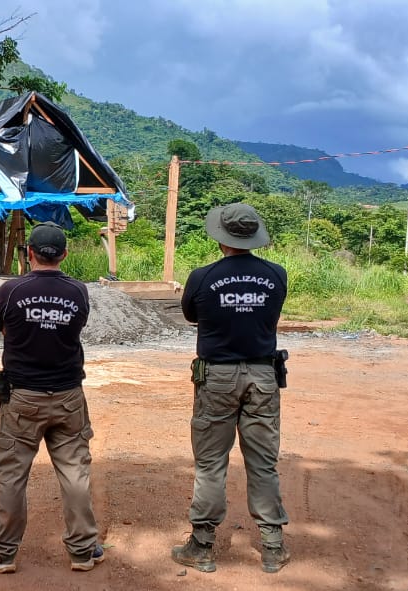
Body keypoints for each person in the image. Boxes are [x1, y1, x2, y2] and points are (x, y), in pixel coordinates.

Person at [173, 202, 291, 574]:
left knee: (210, 464)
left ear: (220, 237)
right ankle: (273, 546)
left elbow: (191, 315)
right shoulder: (277, 275)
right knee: (263, 463)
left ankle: (203, 546)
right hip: (262, 376)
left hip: (217, 378)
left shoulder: (202, 277)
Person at [0, 222, 103, 574]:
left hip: (21, 397)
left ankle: (3, 552)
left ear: (29, 253)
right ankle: (83, 550)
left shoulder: (11, 290)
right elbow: (75, 327)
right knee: (75, 473)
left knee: (12, 474)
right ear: (64, 254)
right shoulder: (78, 291)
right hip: (68, 396)